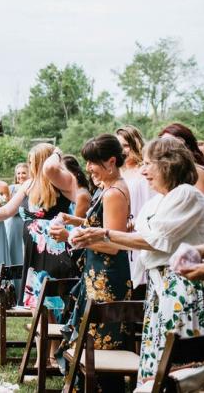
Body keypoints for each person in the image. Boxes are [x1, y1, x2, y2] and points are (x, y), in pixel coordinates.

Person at [70, 137, 204, 385]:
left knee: (179, 365)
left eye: (148, 164)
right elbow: (132, 240)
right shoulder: (156, 201)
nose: (142, 171)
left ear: (169, 164)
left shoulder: (187, 194)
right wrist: (88, 238)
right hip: (158, 288)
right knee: (156, 361)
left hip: (181, 288)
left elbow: (155, 240)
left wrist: (106, 234)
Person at [50, 135, 133, 390]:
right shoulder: (106, 188)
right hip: (95, 274)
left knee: (99, 342)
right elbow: (100, 228)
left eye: (92, 162)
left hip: (106, 280)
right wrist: (73, 221)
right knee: (89, 340)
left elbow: (114, 244)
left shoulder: (114, 193)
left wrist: (70, 237)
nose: (88, 168)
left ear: (110, 161)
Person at [0, 143, 80, 307]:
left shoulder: (62, 181)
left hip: (55, 246)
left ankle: (55, 331)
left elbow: (51, 168)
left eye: (33, 162)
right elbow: (7, 210)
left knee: (54, 297)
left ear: (43, 162)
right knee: (36, 297)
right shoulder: (29, 184)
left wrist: (57, 152)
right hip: (33, 251)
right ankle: (39, 331)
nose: (30, 167)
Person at [116, 125, 157, 289]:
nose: (123, 151)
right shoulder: (119, 173)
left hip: (138, 232)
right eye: (119, 146)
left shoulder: (143, 173)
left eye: (126, 145)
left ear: (136, 144)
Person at [159, 123, 204, 193]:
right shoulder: (173, 170)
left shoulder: (196, 171)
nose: (165, 148)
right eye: (162, 144)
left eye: (171, 143)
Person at [4, 163, 28, 270]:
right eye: (18, 173)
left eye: (23, 173)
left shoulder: (32, 189)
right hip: (12, 223)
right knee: (11, 250)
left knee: (23, 252)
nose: (20, 175)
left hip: (25, 223)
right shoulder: (11, 188)